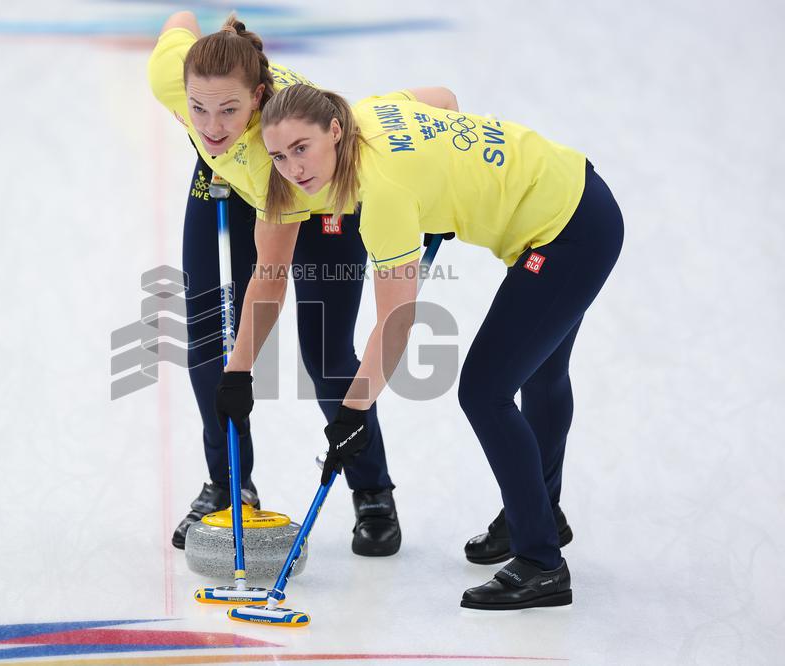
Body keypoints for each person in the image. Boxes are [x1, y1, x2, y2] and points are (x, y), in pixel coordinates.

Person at [231, 83, 623, 609]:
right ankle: (538, 514)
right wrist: (444, 190)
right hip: (575, 192)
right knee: (542, 373)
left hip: (568, 234)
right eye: (278, 156)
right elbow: (441, 97)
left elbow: (395, 324)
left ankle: (542, 563)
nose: (292, 169)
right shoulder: (369, 110)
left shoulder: (384, 197)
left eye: (302, 148)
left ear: (335, 130)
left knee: (485, 391)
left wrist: (351, 413)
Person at [147, 11, 458, 555]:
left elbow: (442, 102)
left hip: (314, 198)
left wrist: (437, 205)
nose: (211, 125)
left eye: (228, 110)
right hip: (226, 183)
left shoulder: (294, 143)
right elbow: (182, 21)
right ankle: (229, 484)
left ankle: (372, 492)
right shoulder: (176, 78)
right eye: (197, 108)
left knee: (325, 346)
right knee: (206, 331)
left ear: (261, 97)